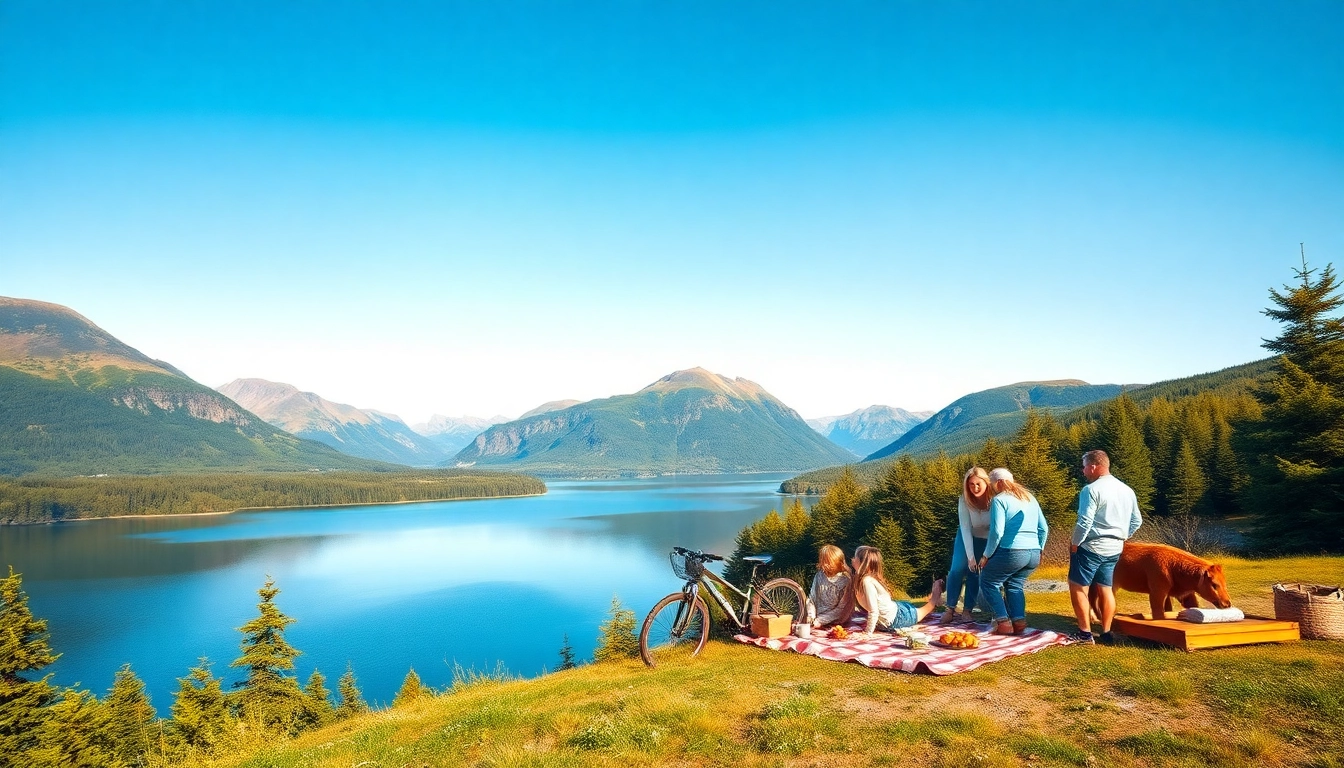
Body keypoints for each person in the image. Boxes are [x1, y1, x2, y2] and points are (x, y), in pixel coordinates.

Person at [1067, 449, 1143, 645]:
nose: (1083, 471)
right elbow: (1137, 520)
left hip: (1092, 546)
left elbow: (1084, 522)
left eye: (1084, 467)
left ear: (1093, 466)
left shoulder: (1091, 490)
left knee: (1077, 587)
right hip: (1115, 547)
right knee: (1106, 589)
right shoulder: (1127, 490)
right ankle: (1107, 632)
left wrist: (1075, 543)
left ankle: (1084, 633)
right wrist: (1123, 536)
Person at [977, 468, 1049, 635]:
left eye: (992, 484)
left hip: (1013, 551)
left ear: (999, 482)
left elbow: (997, 532)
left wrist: (986, 555)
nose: (992, 488)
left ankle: (1003, 622)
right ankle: (1019, 621)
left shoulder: (1000, 500)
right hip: (1033, 553)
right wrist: (1040, 549)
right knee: (1015, 585)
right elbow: (1043, 528)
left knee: (988, 582)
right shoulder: (1030, 497)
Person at [849, 545, 944, 637]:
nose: (852, 559)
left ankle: (936, 593)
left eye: (855, 557)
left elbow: (874, 611)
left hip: (898, 617)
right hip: (896, 607)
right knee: (915, 609)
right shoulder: (862, 579)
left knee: (926, 609)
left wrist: (867, 633)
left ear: (863, 562)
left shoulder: (867, 581)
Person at [941, 467, 993, 624]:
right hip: (966, 537)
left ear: (986, 483)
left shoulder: (995, 500)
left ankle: (967, 610)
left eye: (978, 484)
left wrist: (987, 554)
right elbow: (964, 527)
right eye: (971, 484)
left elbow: (997, 529)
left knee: (975, 573)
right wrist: (970, 557)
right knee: (957, 569)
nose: (975, 488)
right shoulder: (964, 500)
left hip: (986, 540)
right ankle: (950, 608)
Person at [806, 544, 853, 628]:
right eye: (823, 561)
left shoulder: (845, 580)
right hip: (817, 619)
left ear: (838, 562)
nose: (825, 565)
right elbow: (812, 599)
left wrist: (820, 620)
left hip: (839, 621)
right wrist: (811, 616)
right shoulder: (819, 575)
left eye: (828, 562)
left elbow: (842, 609)